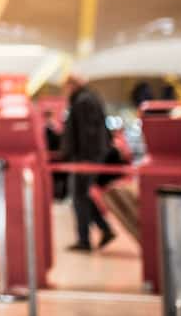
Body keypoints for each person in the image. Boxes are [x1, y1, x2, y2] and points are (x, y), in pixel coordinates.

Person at [60, 74, 116, 252]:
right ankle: (103, 229)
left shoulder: (83, 101)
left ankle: (85, 240)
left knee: (78, 196)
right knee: (82, 195)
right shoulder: (89, 98)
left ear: (71, 85)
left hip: (85, 157)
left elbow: (87, 133)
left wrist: (79, 158)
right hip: (90, 155)